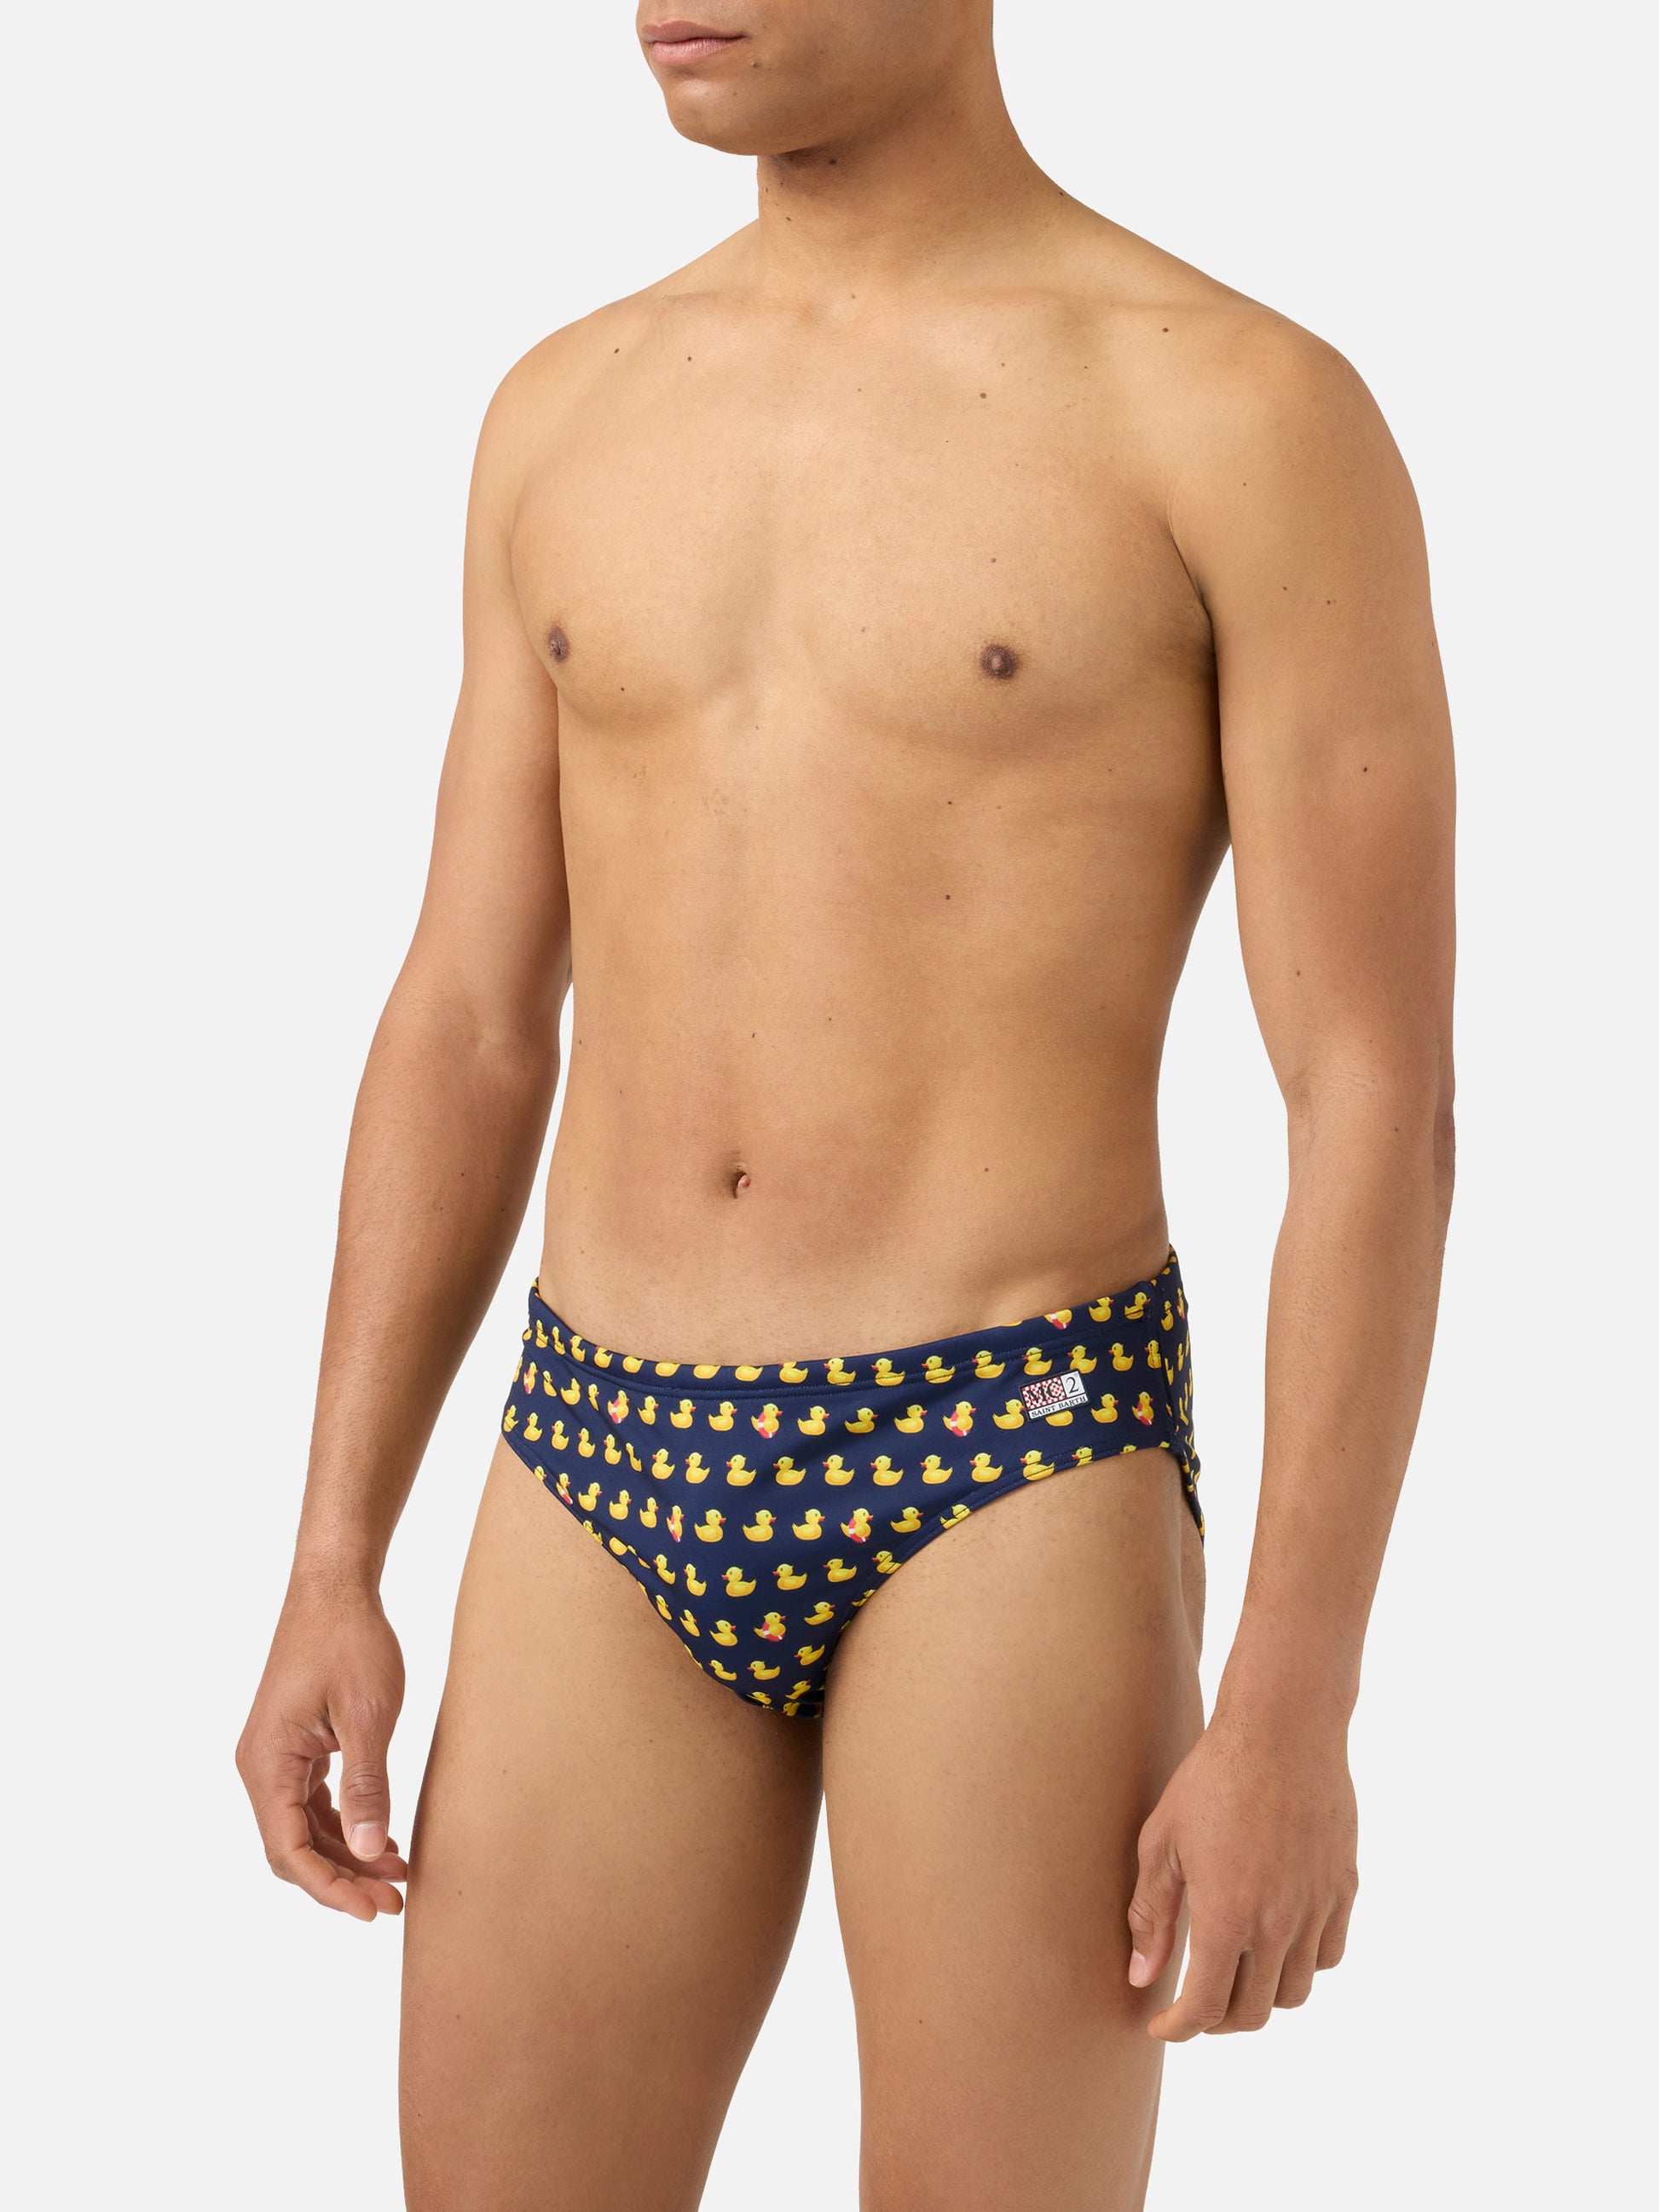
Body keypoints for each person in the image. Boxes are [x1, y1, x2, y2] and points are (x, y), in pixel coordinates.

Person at [237, 4, 1455, 2204]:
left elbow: (1369, 1091)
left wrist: (1295, 1698)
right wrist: (333, 1553)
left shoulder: (1234, 407)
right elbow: (469, 1013)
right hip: (596, 1438)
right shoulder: (566, 407)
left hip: (1012, 1443)